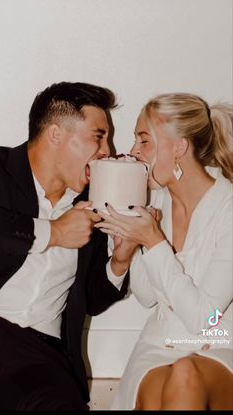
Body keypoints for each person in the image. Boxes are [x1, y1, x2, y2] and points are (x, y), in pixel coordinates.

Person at [0, 81, 135, 410]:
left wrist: (120, 259)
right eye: (99, 136)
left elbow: (92, 300)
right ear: (56, 134)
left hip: (40, 356)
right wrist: (53, 232)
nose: (107, 151)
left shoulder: (96, 201)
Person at [95, 92, 233, 410]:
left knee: (185, 376)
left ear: (179, 147)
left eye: (144, 141)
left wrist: (154, 243)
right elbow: (146, 297)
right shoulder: (155, 202)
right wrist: (130, 249)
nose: (133, 152)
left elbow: (205, 319)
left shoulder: (227, 210)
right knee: (162, 387)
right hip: (159, 343)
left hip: (220, 341)